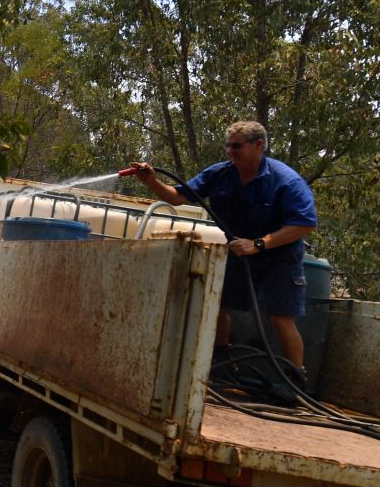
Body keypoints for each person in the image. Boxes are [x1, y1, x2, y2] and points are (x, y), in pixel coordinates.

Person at [128, 121, 317, 371]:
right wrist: (151, 181)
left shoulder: (285, 181)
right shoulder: (220, 173)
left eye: (236, 146)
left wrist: (259, 244)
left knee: (280, 318)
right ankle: (222, 362)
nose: (230, 151)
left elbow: (305, 224)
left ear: (258, 145)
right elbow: (177, 196)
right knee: (216, 304)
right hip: (238, 251)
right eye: (228, 146)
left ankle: (296, 379)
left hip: (279, 256)